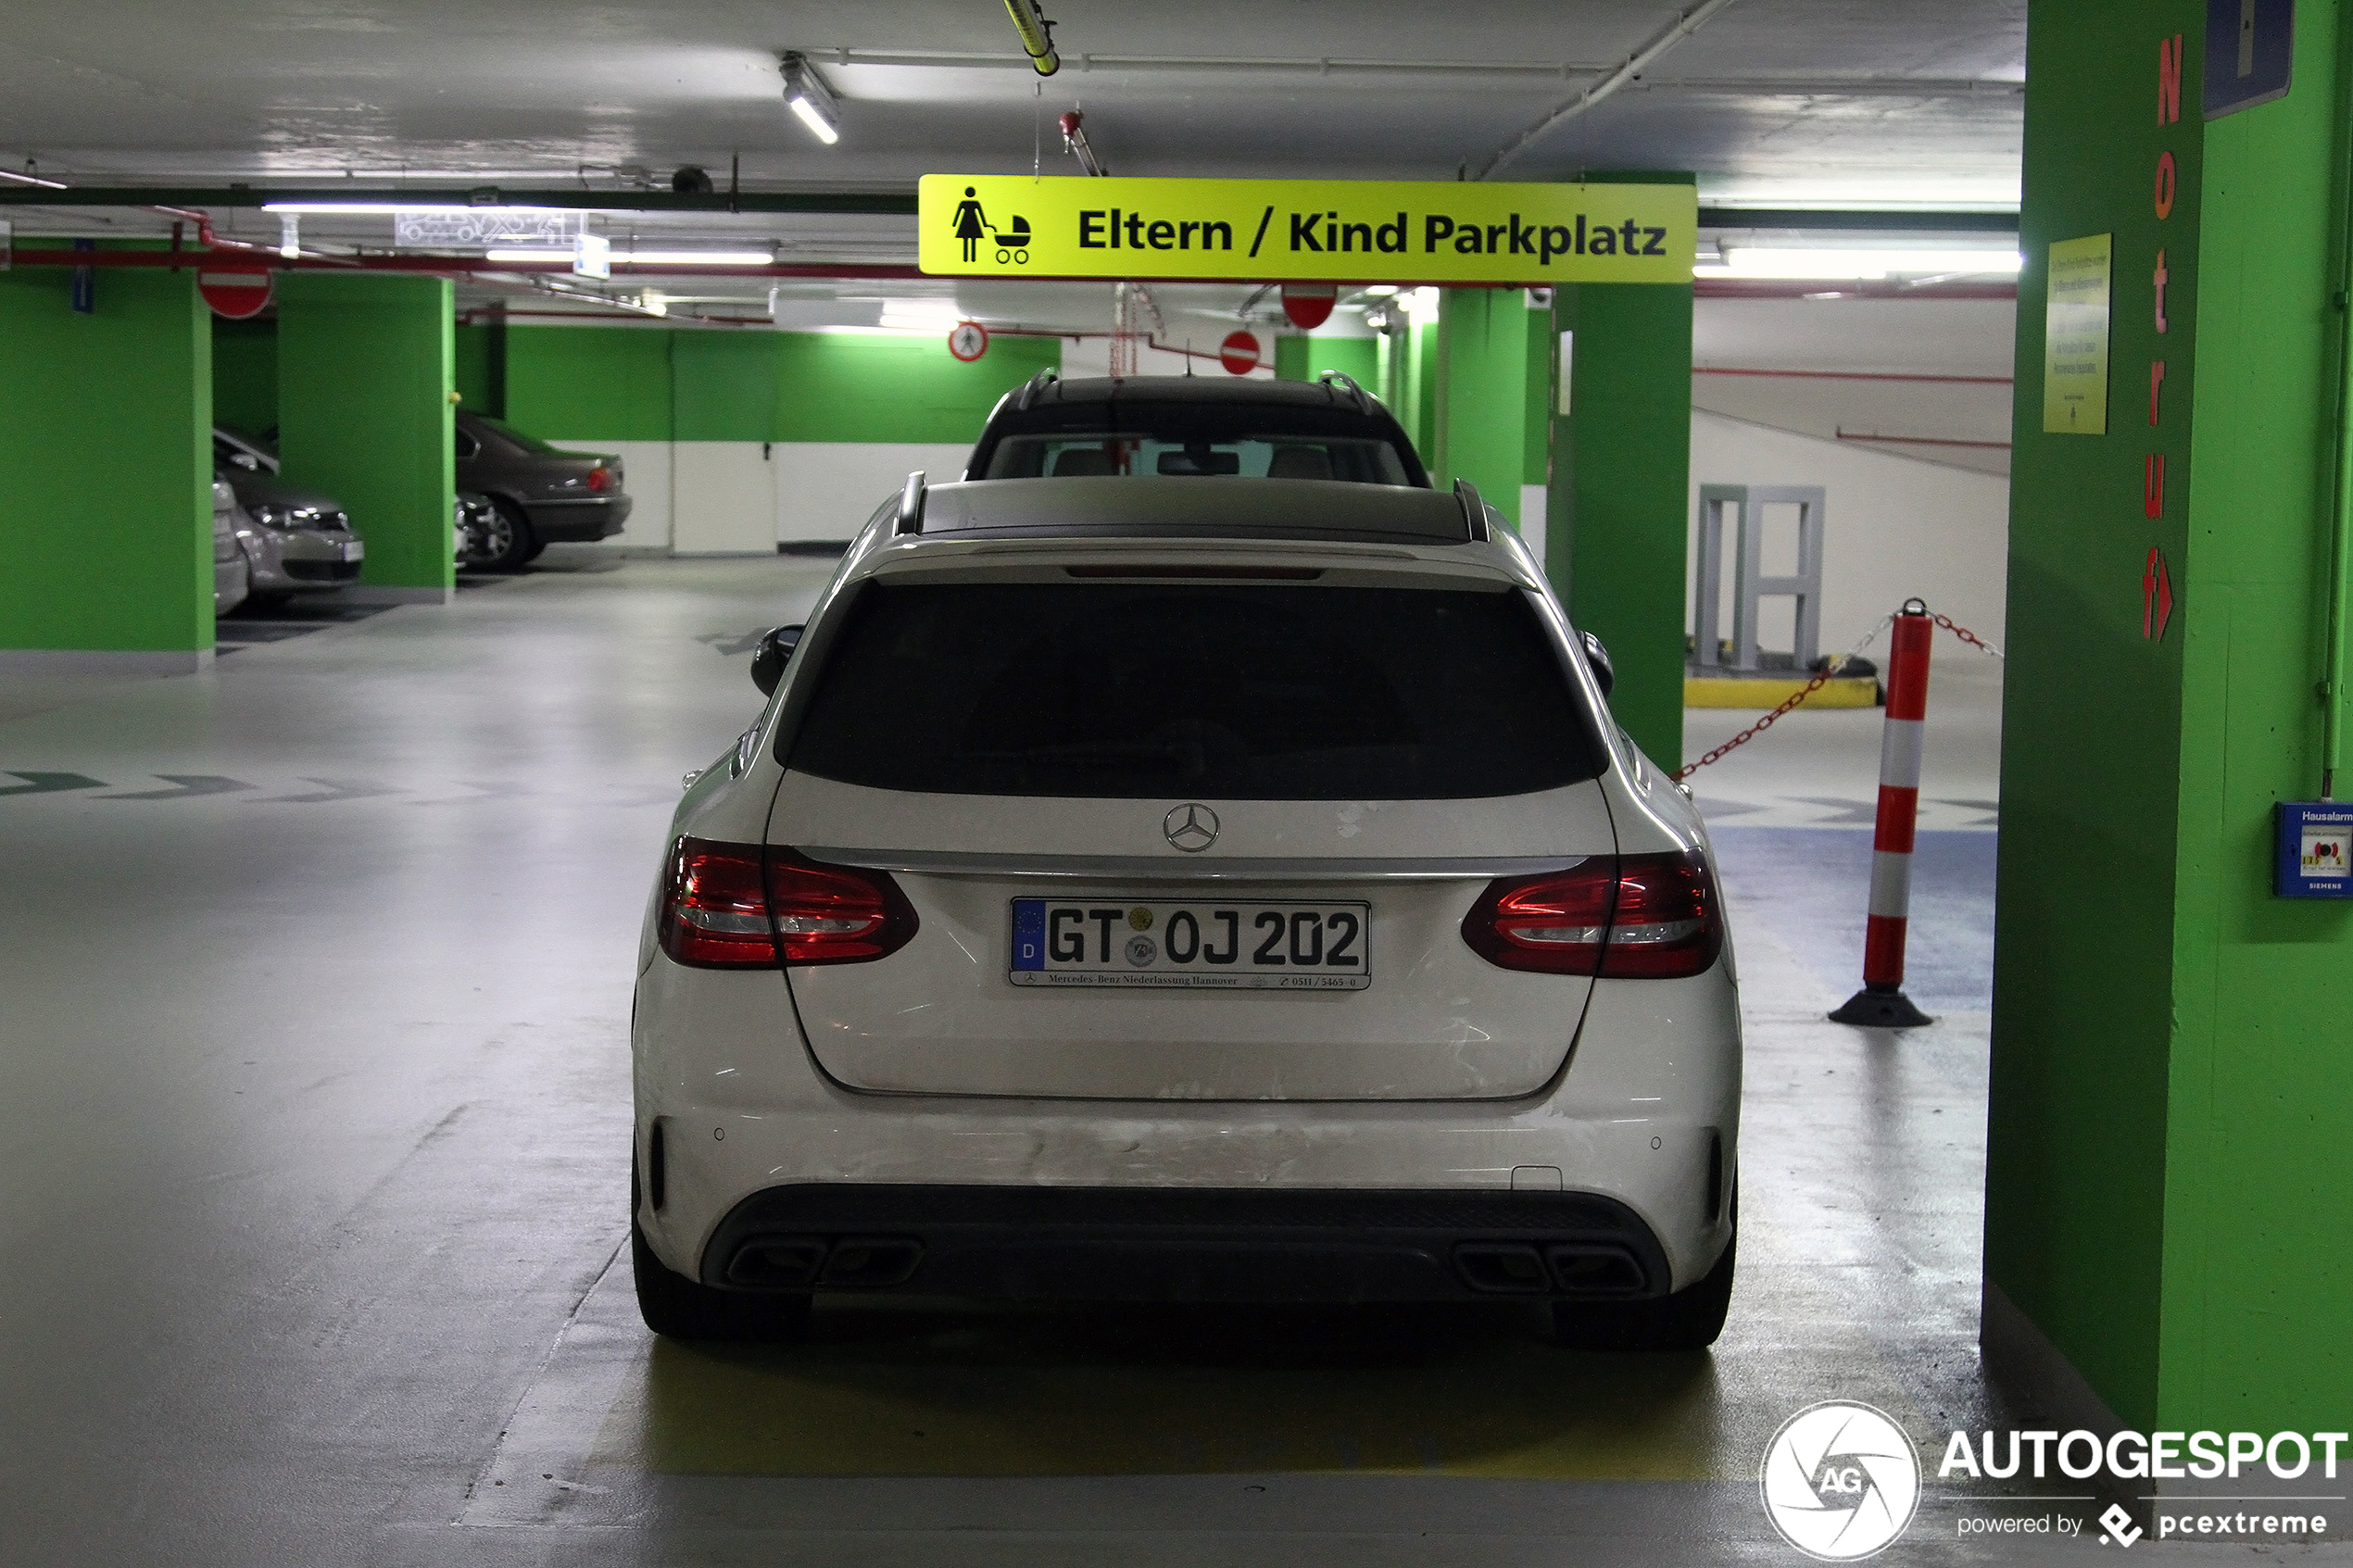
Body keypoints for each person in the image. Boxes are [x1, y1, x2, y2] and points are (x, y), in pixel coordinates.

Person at [953, 186, 988, 263]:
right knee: (971, 239)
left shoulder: (966, 203)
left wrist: (955, 223)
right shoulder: (972, 203)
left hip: (967, 221)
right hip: (972, 221)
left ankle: (969, 258)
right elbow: (980, 214)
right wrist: (984, 224)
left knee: (968, 239)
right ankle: (970, 258)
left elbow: (959, 213)